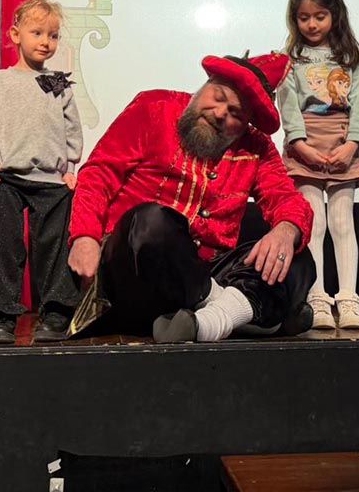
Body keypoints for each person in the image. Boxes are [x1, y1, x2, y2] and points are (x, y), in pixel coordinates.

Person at [66, 52, 317, 343]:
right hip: (137, 270)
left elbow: (287, 198)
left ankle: (206, 321)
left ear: (247, 123)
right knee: (150, 222)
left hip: (210, 268)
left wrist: (287, 230)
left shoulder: (257, 148)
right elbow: (99, 173)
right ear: (205, 85)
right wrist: (84, 236)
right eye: (218, 97)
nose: (220, 113)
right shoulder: (153, 107)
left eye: (236, 114)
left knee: (296, 257)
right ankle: (240, 312)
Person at [0, 0, 83, 345]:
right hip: (8, 178)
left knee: (53, 247)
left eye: (53, 35)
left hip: (52, 180)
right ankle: (2, 317)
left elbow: (72, 129)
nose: (46, 42)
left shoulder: (58, 83)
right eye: (37, 33)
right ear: (16, 35)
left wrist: (71, 165)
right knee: (3, 246)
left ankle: (55, 312)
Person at [276, 0, 359, 330]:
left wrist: (353, 144)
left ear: (335, 15)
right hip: (305, 145)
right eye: (304, 18)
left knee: (343, 222)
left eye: (320, 16)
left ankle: (348, 299)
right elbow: (288, 105)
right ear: (294, 19)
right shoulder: (290, 60)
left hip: (344, 143)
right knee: (314, 223)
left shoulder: (351, 57)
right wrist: (300, 145)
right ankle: (317, 298)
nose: (312, 24)